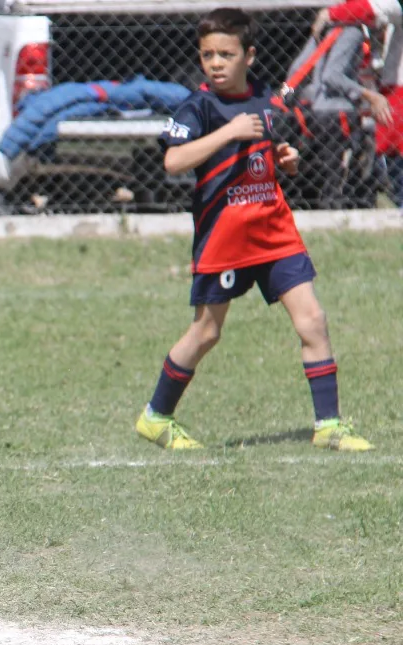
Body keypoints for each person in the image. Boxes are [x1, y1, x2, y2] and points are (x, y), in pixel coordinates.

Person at [135, 8, 372, 452]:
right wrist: (228, 132)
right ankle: (156, 417)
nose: (217, 63)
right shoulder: (199, 106)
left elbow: (263, 157)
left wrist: (285, 161)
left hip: (273, 228)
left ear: (250, 55)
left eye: (226, 53)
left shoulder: (266, 99)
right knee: (207, 332)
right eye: (208, 55)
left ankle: (329, 425)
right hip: (225, 236)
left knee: (313, 321)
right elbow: (173, 161)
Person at [285, 17, 391, 208]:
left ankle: (323, 209)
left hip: (315, 114)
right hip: (338, 113)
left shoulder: (327, 30)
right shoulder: (354, 32)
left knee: (325, 176)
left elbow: (296, 70)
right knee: (342, 178)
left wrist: (312, 94)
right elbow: (332, 76)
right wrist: (368, 95)